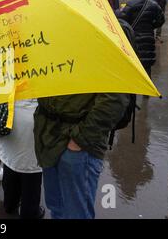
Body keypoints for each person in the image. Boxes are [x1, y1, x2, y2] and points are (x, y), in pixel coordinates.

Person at [33, 91, 129, 219]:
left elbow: (114, 99)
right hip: (48, 140)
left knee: (76, 214)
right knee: (56, 207)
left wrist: (80, 140)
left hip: (77, 146)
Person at [0, 99, 44, 219]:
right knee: (31, 174)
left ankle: (10, 204)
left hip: (9, 116)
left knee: (10, 164)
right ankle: (29, 212)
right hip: (34, 119)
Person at [116, 0, 165, 77]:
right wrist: (151, 26)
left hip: (133, 38)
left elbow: (121, 19)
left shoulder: (130, 4)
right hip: (148, 39)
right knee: (146, 69)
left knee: (132, 70)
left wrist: (118, 11)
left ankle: (132, 91)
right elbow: (161, 20)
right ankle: (147, 91)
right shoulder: (154, 5)